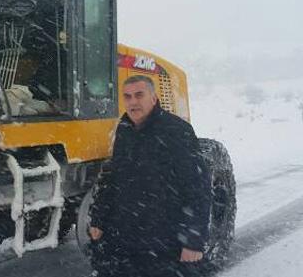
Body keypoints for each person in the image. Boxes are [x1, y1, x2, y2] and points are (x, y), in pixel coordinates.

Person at [88, 75, 212, 277]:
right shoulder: (124, 128)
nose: (133, 102)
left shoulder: (176, 131)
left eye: (139, 95)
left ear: (153, 98)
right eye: (127, 97)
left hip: (164, 237)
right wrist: (99, 219)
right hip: (128, 234)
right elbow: (113, 177)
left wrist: (193, 240)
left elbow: (197, 186)